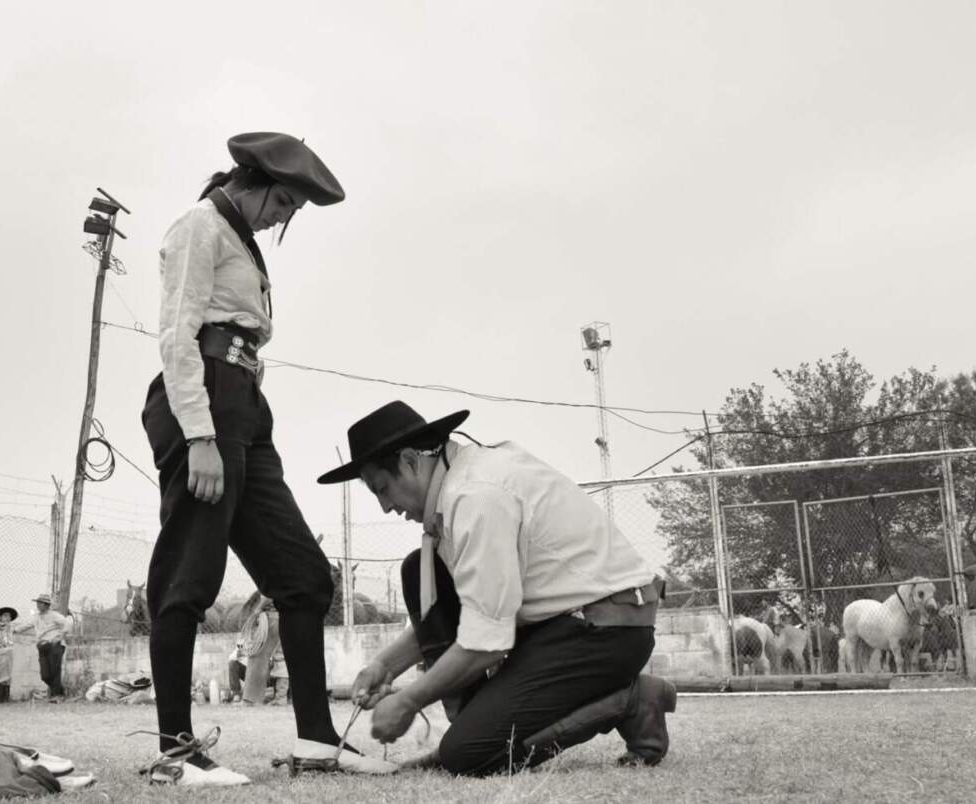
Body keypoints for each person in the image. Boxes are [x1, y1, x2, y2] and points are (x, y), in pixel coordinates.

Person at [138, 132, 391, 786]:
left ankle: (314, 740)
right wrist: (199, 435)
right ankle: (175, 753)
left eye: (293, 212)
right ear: (251, 181)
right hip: (206, 401)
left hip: (246, 406)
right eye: (282, 203)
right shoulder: (201, 225)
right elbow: (176, 334)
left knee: (304, 578)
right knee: (190, 574)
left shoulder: (242, 239)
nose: (283, 218)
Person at [319, 401, 678, 776]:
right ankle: (474, 727)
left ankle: (631, 699)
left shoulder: (477, 498)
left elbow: (486, 641)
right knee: (419, 570)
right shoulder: (460, 487)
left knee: (468, 756)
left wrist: (409, 700)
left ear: (410, 461)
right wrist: (384, 666)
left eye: (383, 489)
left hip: (604, 631)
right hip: (559, 626)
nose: (385, 507)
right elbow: (478, 607)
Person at [11, 594, 73, 702]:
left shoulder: (54, 615)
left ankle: (57, 696)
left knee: (54, 670)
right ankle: (60, 691)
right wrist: (14, 630)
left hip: (54, 645)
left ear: (46, 605)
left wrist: (59, 636)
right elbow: (26, 625)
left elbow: (67, 624)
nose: (38, 605)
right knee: (45, 675)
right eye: (37, 603)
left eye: (40, 603)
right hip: (42, 646)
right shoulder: (36, 617)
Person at [0, 606, 21, 703]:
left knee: (8, 674)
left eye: (9, 617)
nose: (7, 618)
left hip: (10, 651)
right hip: (2, 651)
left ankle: (5, 697)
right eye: (5, 616)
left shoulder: (11, 627)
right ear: (0, 617)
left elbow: (19, 628)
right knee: (1, 673)